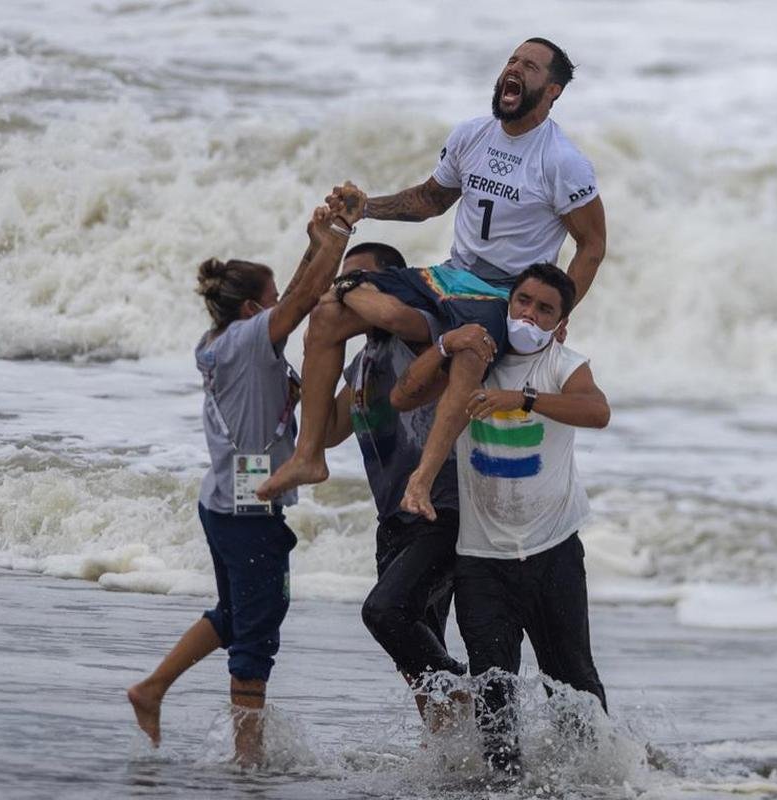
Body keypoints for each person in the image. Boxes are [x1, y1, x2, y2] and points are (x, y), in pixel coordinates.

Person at [258, 37, 607, 523]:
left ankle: (421, 480)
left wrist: (560, 311)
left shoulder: (564, 162)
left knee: (468, 349)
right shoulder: (471, 134)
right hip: (448, 276)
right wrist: (366, 208)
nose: (513, 68)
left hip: (502, 293)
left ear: (552, 91)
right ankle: (308, 455)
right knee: (328, 313)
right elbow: (430, 200)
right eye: (511, 59)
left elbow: (592, 245)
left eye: (529, 66)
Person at [126, 185, 365, 765]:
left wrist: (316, 244)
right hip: (247, 506)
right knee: (258, 630)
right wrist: (340, 234)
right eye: (271, 299)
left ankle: (152, 689)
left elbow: (296, 293)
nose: (282, 304)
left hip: (223, 500)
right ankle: (247, 760)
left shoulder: (221, 341)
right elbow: (304, 300)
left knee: (235, 615)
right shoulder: (249, 342)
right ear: (254, 312)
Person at [390, 263, 610, 775]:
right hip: (482, 559)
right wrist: (446, 344)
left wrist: (523, 399)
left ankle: (597, 779)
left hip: (552, 550)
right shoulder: (476, 359)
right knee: (494, 692)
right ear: (507, 302)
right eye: (523, 301)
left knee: (573, 682)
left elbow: (598, 412)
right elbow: (403, 395)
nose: (529, 314)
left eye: (545, 309)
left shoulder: (563, 364)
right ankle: (503, 783)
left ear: (560, 323)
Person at [315, 242, 490, 726]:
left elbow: (393, 315)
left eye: (362, 281)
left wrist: (340, 288)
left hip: (443, 509)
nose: (350, 293)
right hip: (393, 517)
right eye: (346, 281)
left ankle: (468, 700)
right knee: (413, 654)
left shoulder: (423, 333)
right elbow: (328, 431)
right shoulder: (363, 361)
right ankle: (447, 751)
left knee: (385, 612)